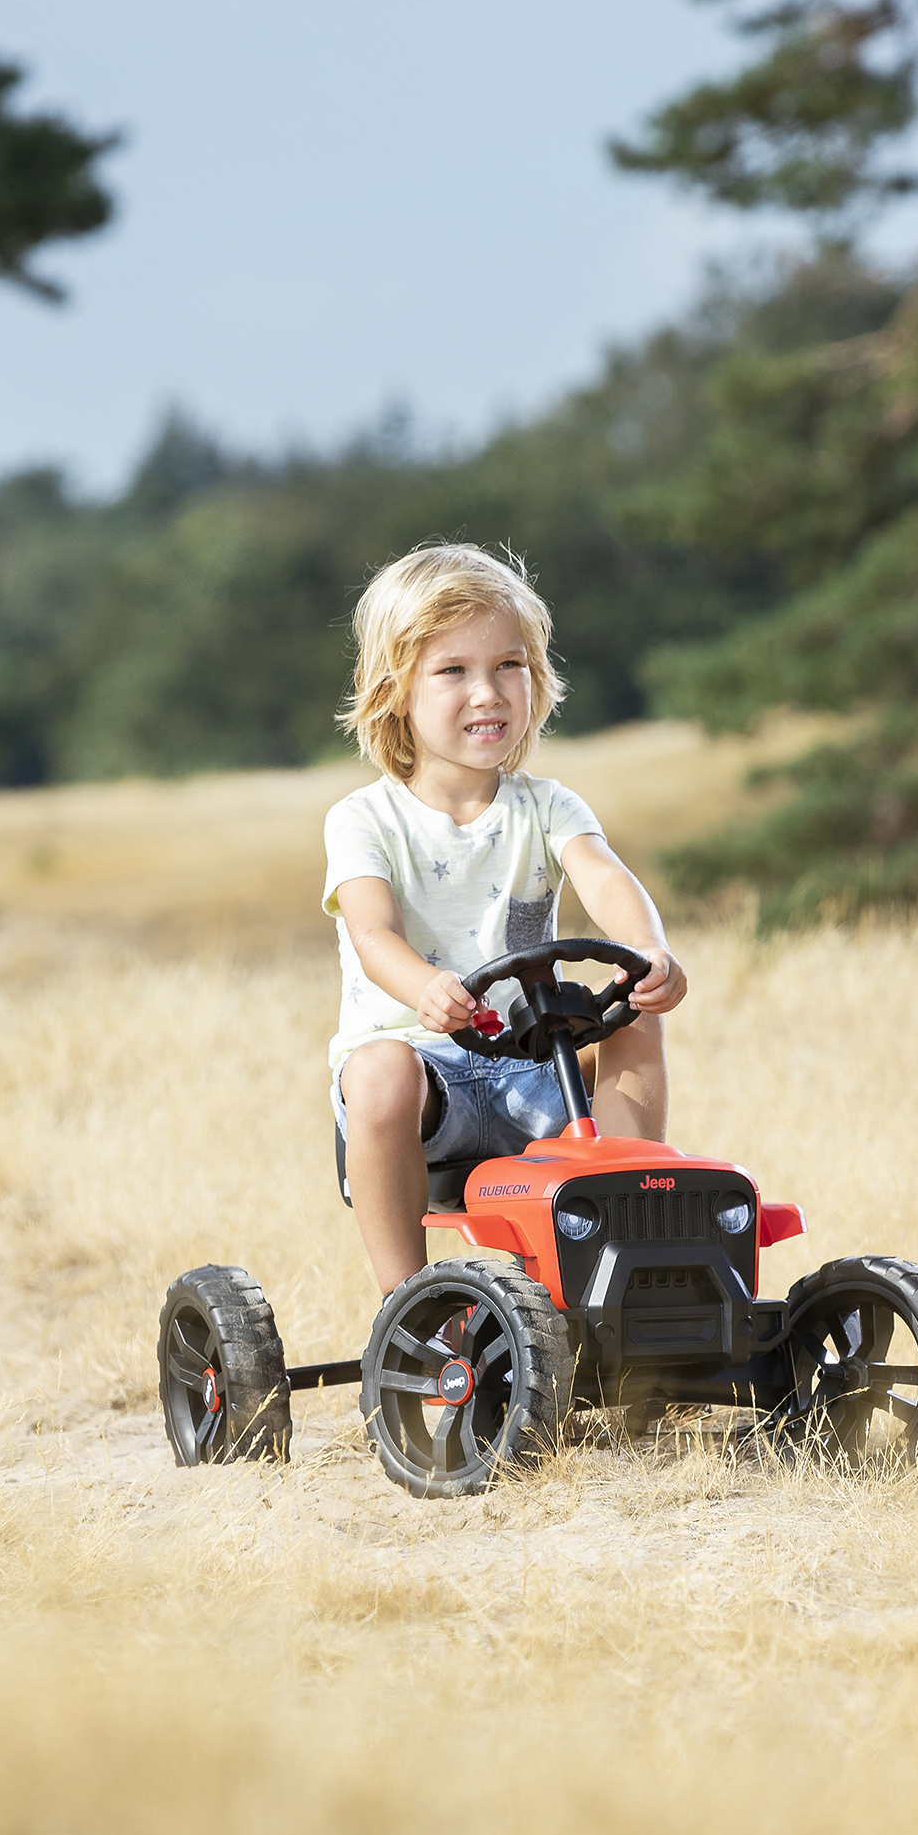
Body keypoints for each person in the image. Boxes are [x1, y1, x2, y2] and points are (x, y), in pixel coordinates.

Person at [322, 542, 688, 1293]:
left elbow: (605, 876)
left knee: (635, 1020)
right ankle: (406, 1305)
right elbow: (371, 933)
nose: (486, 692)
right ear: (396, 692)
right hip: (427, 1080)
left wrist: (648, 949)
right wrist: (425, 986)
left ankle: (622, 1249)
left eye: (508, 666)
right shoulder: (365, 819)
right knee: (378, 1070)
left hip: (531, 1067)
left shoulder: (547, 807)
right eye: (453, 671)